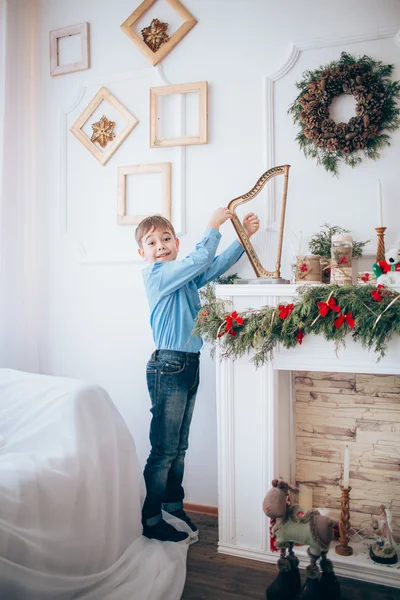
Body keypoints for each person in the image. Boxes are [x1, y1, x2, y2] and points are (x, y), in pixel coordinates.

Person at [136, 208, 260, 543]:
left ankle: (172, 505)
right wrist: (212, 225)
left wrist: (243, 237)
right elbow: (199, 259)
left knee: (179, 446)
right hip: (168, 365)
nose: (160, 245)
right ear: (142, 253)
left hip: (188, 363)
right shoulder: (158, 275)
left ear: (176, 243)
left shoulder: (183, 277)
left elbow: (212, 265)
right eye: (152, 242)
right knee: (163, 449)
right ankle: (150, 518)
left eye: (166, 239)